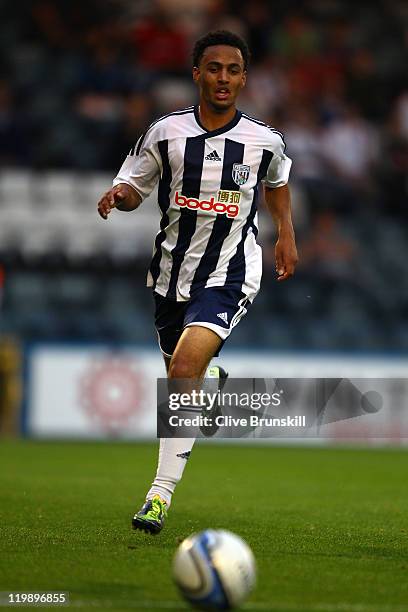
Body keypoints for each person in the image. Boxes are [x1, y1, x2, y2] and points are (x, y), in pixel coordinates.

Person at [97, 30, 298, 534]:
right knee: (181, 382)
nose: (223, 78)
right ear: (197, 74)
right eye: (214, 68)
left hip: (231, 270)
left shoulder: (264, 140)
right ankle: (207, 385)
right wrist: (118, 195)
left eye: (233, 70)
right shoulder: (165, 132)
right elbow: (135, 187)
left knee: (183, 367)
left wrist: (285, 236)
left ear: (244, 78)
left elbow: (277, 185)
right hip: (169, 275)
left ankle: (158, 496)